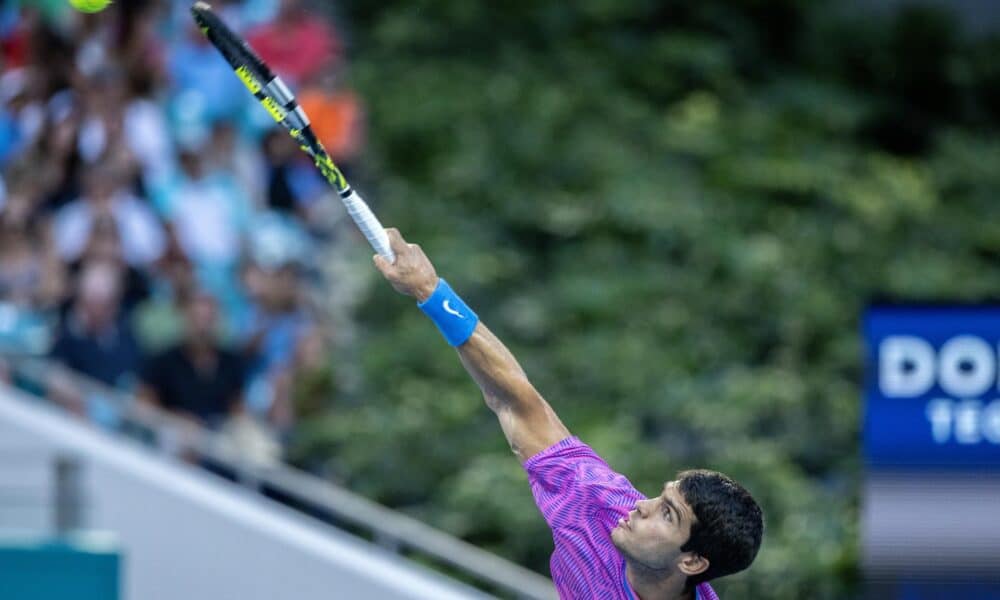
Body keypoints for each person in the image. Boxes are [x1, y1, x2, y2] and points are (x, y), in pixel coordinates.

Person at [373, 228, 763, 600]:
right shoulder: (596, 506)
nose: (640, 507)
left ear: (692, 561)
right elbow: (514, 399)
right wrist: (430, 290)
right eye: (658, 497)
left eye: (666, 513)